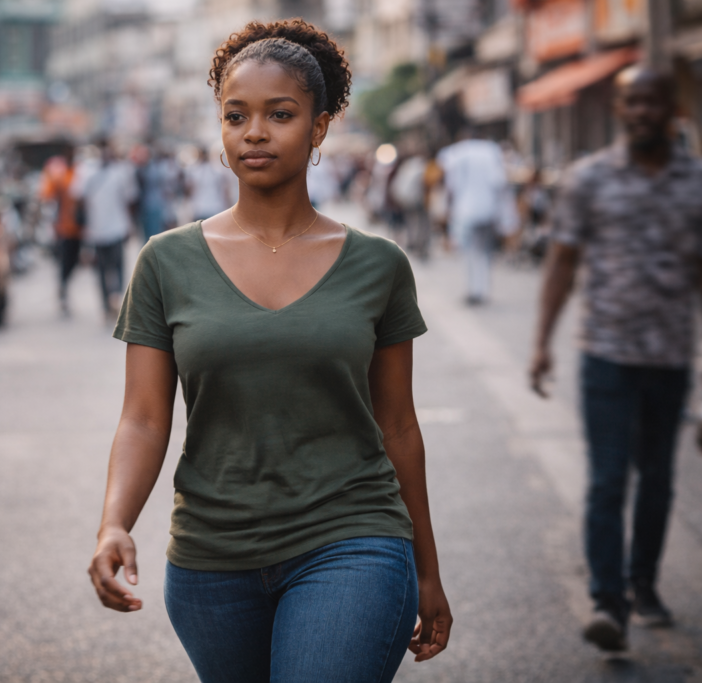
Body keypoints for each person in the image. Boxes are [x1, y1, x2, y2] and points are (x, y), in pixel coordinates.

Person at [88, 20, 452, 683]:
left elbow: (399, 424)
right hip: (210, 559)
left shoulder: (379, 265)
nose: (254, 132)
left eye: (279, 114)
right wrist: (114, 522)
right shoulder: (165, 262)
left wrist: (427, 569)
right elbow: (142, 418)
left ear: (318, 127)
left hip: (354, 540)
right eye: (237, 115)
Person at [529, 66, 702, 652]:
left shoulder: (696, 182)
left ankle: (644, 584)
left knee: (657, 481)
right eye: (631, 102)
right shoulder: (589, 179)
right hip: (604, 355)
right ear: (620, 108)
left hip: (670, 358)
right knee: (607, 481)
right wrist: (540, 344)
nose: (641, 112)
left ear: (671, 106)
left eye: (652, 101)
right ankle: (610, 601)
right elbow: (562, 262)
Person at [437, 130, 509, 305]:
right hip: (487, 209)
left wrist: (446, 209)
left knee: (470, 252)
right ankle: (482, 289)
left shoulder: (457, 154)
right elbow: (499, 182)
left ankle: (473, 289)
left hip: (466, 211)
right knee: (485, 251)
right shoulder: (491, 152)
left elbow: (451, 186)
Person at [72, 140, 138, 319]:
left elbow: (128, 200)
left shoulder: (120, 172)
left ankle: (116, 300)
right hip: (97, 231)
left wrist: (128, 225)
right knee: (102, 270)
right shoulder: (86, 172)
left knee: (116, 268)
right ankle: (107, 305)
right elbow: (78, 199)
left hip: (116, 228)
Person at [40, 146, 81, 315]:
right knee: (64, 262)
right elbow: (47, 197)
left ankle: (64, 285)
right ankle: (63, 289)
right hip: (63, 228)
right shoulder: (58, 174)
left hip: (78, 228)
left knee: (74, 260)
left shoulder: (79, 172)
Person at [187, 144, 232, 221]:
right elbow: (225, 191)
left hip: (199, 208)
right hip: (216, 208)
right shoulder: (218, 170)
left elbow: (190, 191)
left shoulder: (194, 171)